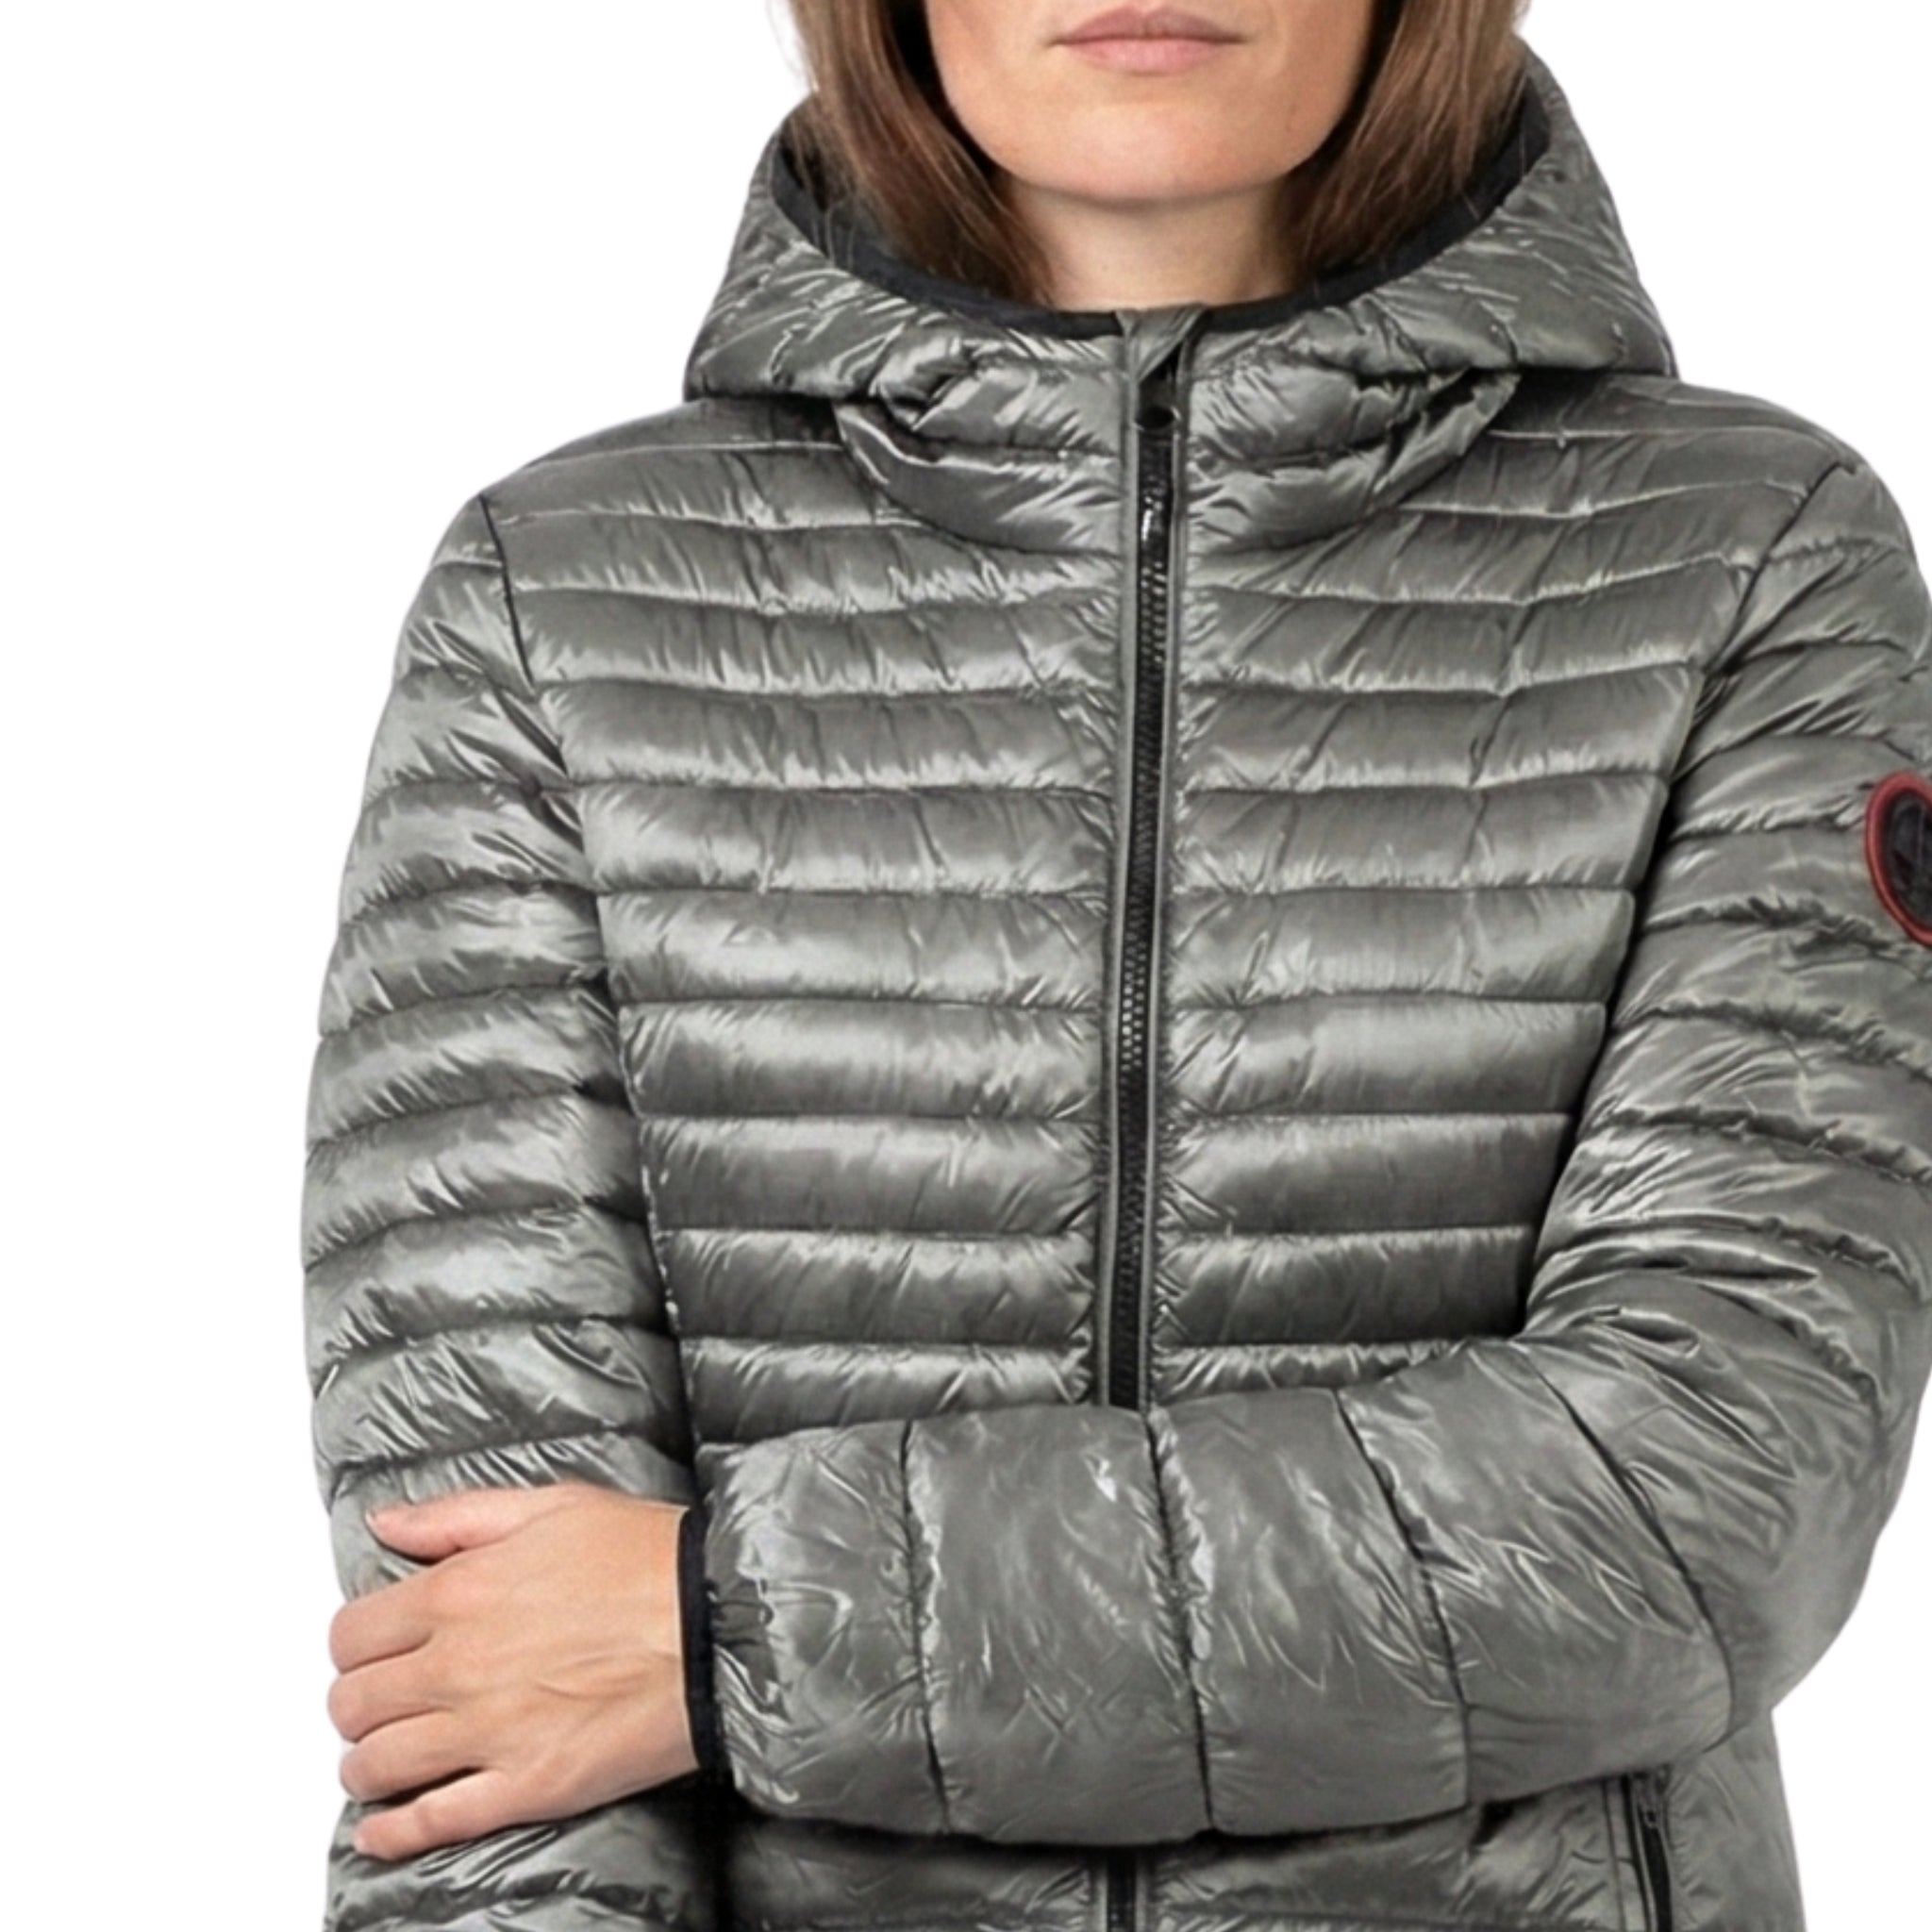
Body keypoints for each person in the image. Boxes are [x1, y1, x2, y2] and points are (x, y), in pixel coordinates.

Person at [300, 4, 1932, 1929]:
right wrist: (638, 1645)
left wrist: (726, 1626)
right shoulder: (557, 598)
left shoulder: (1749, 561)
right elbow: (485, 1678)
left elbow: (1701, 1494)